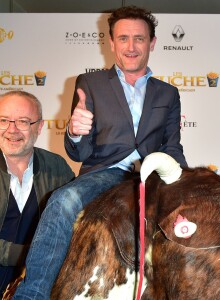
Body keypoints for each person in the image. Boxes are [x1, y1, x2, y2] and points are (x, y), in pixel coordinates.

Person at [14, 5, 187, 299]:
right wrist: (74, 131)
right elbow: (79, 152)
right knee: (62, 199)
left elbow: (172, 147)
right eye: (123, 38)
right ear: (111, 43)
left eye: (139, 39)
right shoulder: (89, 84)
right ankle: (31, 294)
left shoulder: (168, 93)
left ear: (152, 43)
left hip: (153, 176)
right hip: (105, 173)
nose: (131, 47)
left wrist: (185, 182)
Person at [0, 91, 74, 298]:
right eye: (4, 120)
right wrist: (33, 254)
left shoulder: (57, 166)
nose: (11, 130)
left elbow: (77, 221)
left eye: (23, 121)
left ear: (39, 127)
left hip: (39, 285)